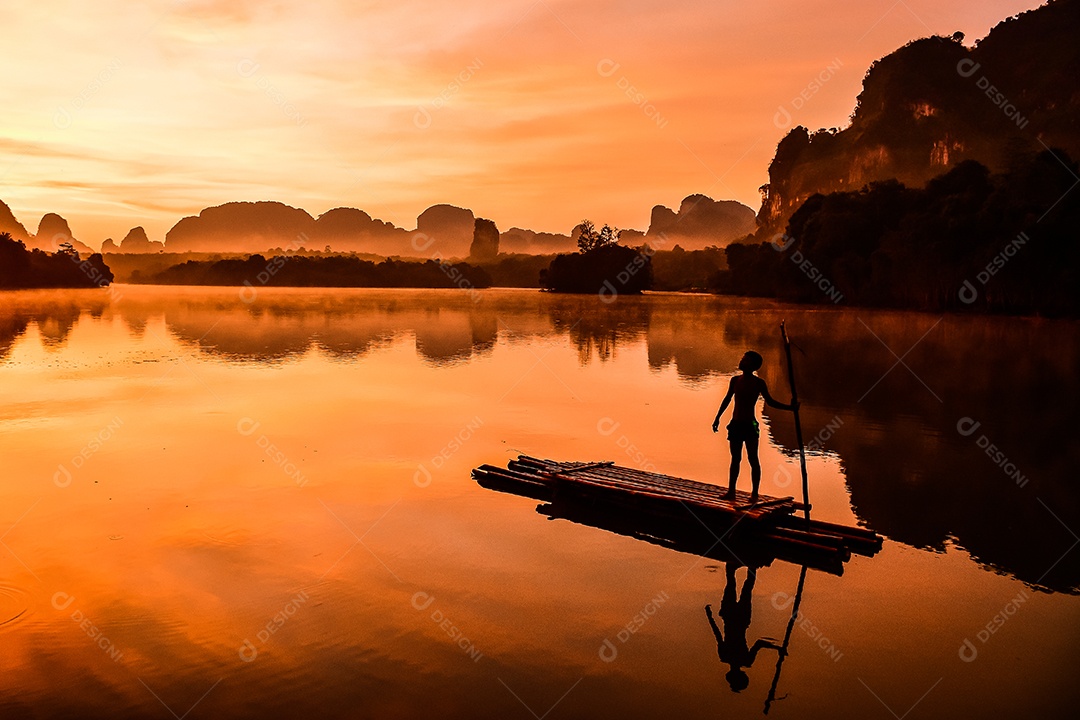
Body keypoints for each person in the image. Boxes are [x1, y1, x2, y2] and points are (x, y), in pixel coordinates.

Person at [711, 350, 797, 501]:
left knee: (753, 459)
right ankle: (731, 492)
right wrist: (717, 417)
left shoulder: (758, 383)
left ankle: (755, 494)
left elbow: (770, 402)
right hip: (736, 424)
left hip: (750, 425)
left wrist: (790, 408)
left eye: (746, 360)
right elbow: (727, 399)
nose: (742, 361)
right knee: (735, 459)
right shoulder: (735, 380)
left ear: (753, 366)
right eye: (743, 359)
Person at [705, 562, 783, 693]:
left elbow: (758, 643)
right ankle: (749, 564)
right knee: (735, 584)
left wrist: (776, 648)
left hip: (737, 619)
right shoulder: (729, 658)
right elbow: (717, 635)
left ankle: (749, 565)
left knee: (742, 587)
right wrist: (710, 617)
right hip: (733, 618)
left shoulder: (744, 660)